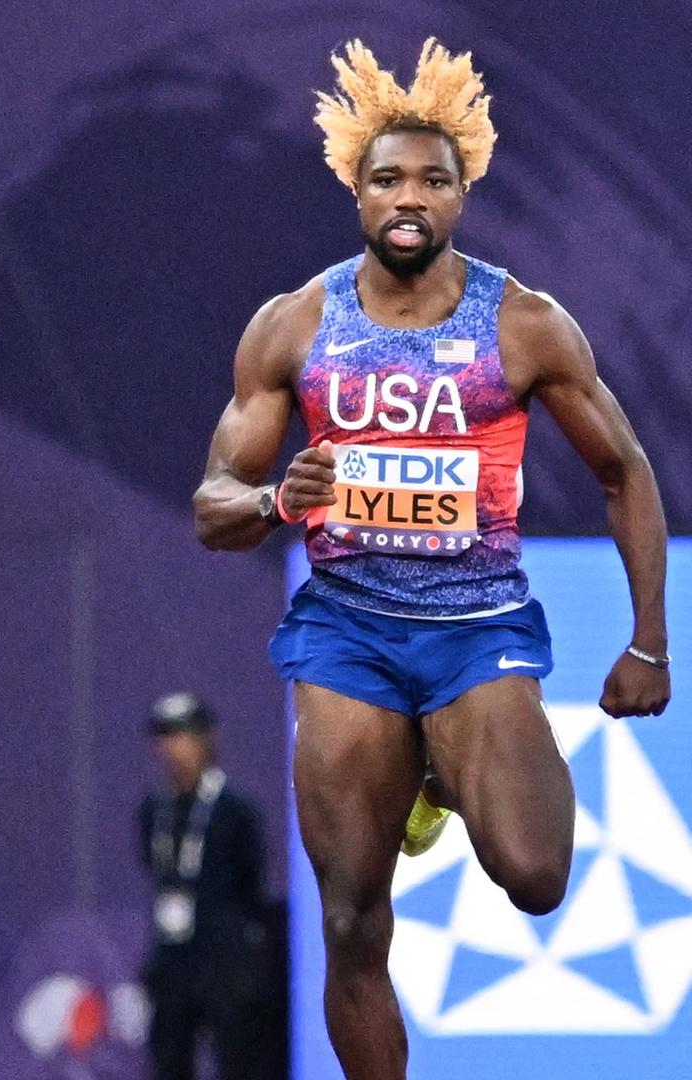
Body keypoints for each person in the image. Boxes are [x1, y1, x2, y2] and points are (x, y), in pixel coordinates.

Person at [192, 39, 669, 1080]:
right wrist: (278, 498)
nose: (409, 198)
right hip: (347, 632)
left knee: (538, 875)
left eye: (433, 181)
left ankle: (439, 778)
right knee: (354, 921)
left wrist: (649, 643)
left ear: (464, 193)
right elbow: (213, 502)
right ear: (354, 190)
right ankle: (412, 768)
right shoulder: (297, 326)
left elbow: (626, 470)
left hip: (476, 628)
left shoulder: (526, 324)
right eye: (388, 178)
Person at [136, 694, 280, 1080]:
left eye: (183, 735)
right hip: (173, 958)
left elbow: (252, 882)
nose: (173, 747)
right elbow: (155, 872)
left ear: (206, 739)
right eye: (165, 737)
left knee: (237, 1062)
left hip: (226, 960)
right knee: (168, 1057)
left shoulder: (234, 808)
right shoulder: (154, 809)